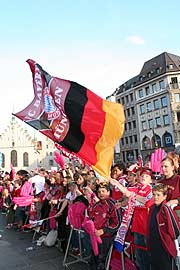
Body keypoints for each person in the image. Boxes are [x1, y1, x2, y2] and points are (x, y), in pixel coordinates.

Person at [88, 182, 120, 270]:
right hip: (94, 236)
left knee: (102, 261)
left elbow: (117, 224)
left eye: (103, 191)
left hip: (106, 238)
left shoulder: (113, 204)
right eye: (99, 192)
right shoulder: (96, 205)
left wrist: (103, 230)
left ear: (108, 192)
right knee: (93, 259)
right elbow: (90, 219)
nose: (101, 193)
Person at [147, 183, 180, 270]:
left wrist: (168, 241)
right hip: (154, 246)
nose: (156, 197)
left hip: (164, 247)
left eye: (158, 195)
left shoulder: (166, 209)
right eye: (154, 194)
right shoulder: (151, 209)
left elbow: (175, 229)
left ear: (165, 196)